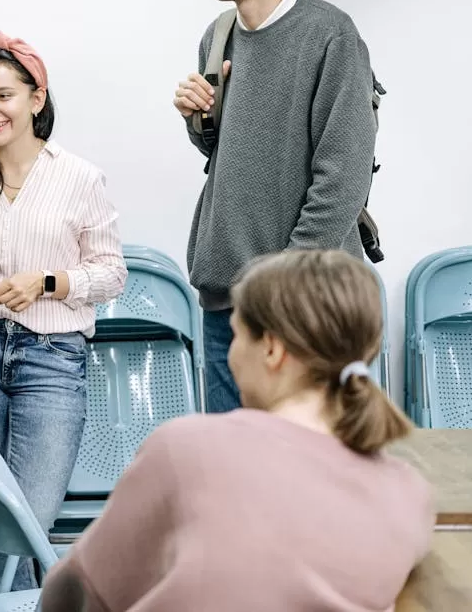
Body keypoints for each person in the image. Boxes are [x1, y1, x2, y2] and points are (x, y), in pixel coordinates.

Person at [40, 249, 434, 612]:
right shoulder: (410, 495)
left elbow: (75, 593)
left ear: (272, 350)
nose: (230, 353)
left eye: (238, 334)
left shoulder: (188, 448)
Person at [172, 0, 379, 413]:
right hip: (226, 305)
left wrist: (281, 288)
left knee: (310, 478)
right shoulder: (216, 36)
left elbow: (342, 180)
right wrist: (201, 121)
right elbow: (229, 155)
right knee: (232, 479)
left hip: (304, 308)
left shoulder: (330, 36)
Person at [0, 30, 127, 591]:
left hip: (52, 357)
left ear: (36, 98)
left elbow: (111, 273)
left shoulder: (80, 177)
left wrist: (47, 281)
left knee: (25, 519)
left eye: (3, 96)